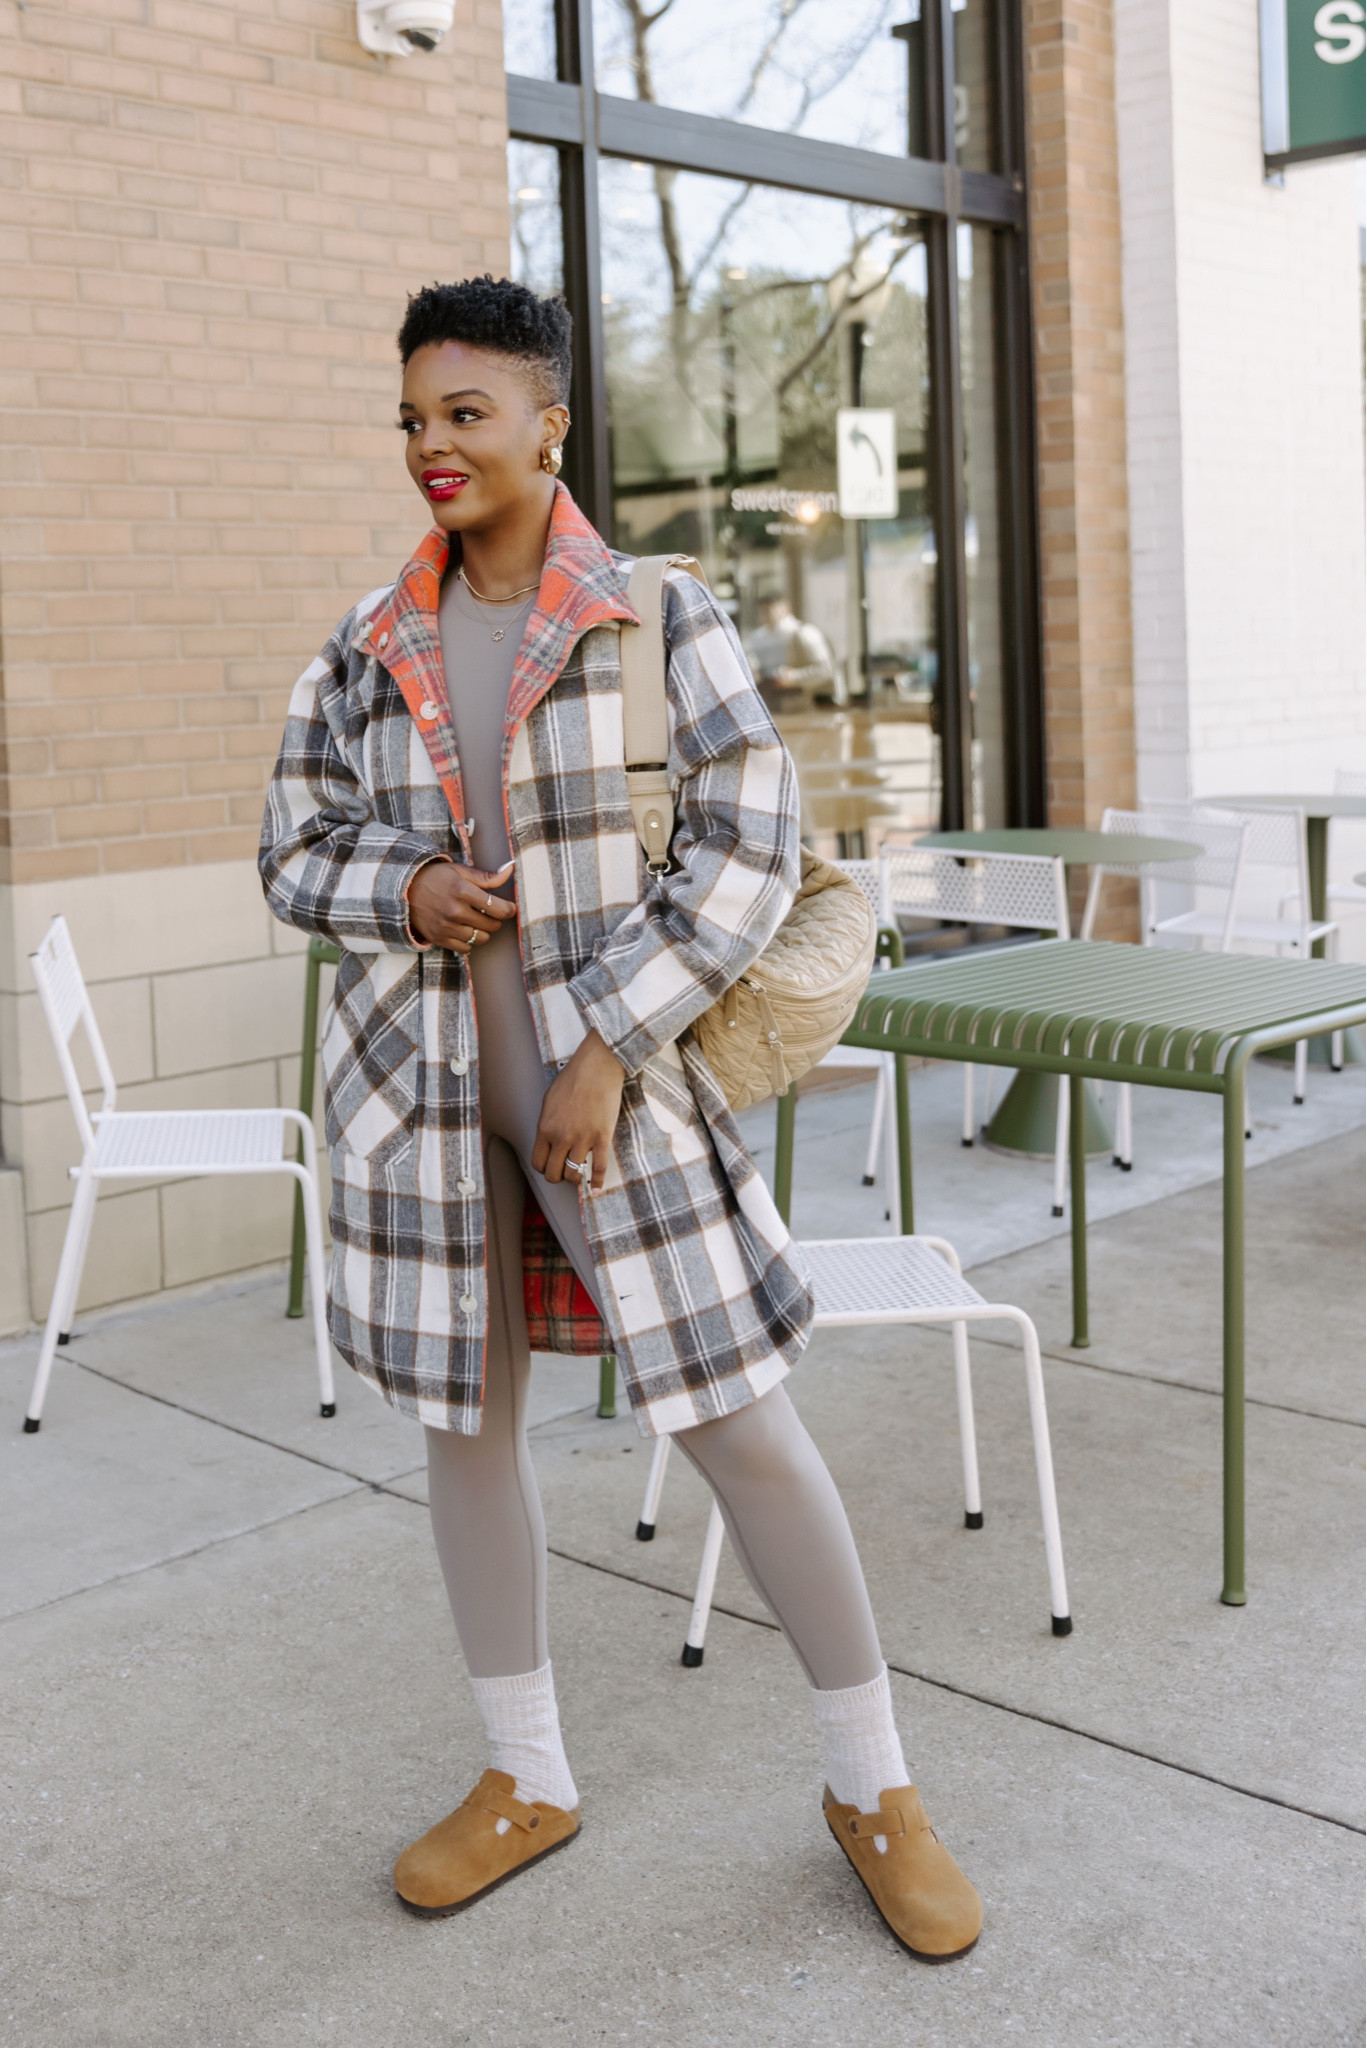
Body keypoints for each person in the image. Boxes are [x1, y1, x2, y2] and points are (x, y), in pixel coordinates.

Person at [258, 276, 981, 1959]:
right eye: (413, 420)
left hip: (622, 1110)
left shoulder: (658, 614)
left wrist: (607, 1048)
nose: (432, 446)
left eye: (465, 413)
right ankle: (525, 1772)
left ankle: (874, 1786)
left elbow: (744, 843)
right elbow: (293, 851)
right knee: (466, 1431)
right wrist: (410, 880)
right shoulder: (363, 644)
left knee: (743, 1423)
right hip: (421, 1118)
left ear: (548, 419)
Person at [747, 592, 838, 711]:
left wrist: (795, 677)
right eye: (763, 611)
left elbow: (826, 669)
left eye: (771, 609)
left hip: (804, 704)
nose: (767, 614)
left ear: (785, 607)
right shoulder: (757, 638)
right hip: (771, 704)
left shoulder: (803, 633)